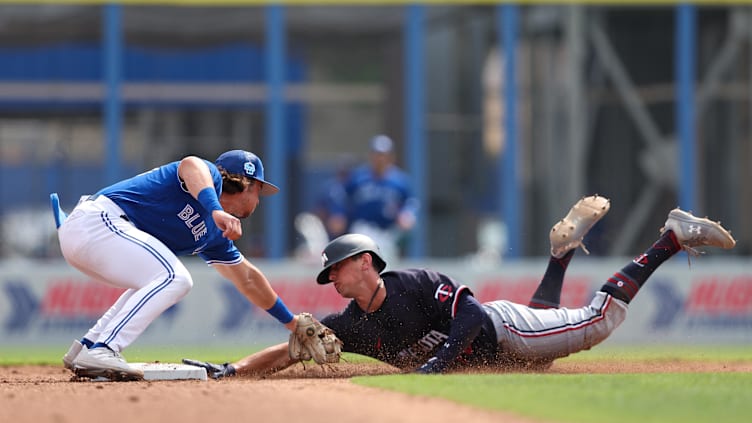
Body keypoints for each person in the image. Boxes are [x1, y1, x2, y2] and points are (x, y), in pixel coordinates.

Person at [182, 195, 736, 377]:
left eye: (337, 271)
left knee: (599, 321)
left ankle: (670, 238)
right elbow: (292, 349)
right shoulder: (350, 324)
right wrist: (234, 371)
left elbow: (469, 319)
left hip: (504, 331)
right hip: (503, 350)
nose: (331, 281)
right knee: (545, 348)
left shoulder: (413, 282)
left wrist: (432, 369)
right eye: (328, 276)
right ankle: (561, 253)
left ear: (366, 264)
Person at [54, 150, 304, 381]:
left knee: (157, 278)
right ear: (246, 184)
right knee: (175, 277)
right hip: (96, 222)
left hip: (95, 237)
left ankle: (89, 346)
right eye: (258, 191)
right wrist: (215, 209)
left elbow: (247, 278)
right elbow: (190, 164)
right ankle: (105, 349)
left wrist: (293, 324)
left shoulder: (215, 234)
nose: (259, 201)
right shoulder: (209, 177)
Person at [325, 134, 419, 262]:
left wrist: (407, 214)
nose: (379, 158)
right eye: (376, 154)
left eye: (383, 155)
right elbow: (341, 196)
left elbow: (411, 202)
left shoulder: (400, 181)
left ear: (390, 157)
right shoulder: (359, 178)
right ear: (371, 156)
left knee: (384, 269)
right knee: (361, 266)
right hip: (362, 228)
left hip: (387, 233)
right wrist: (338, 214)